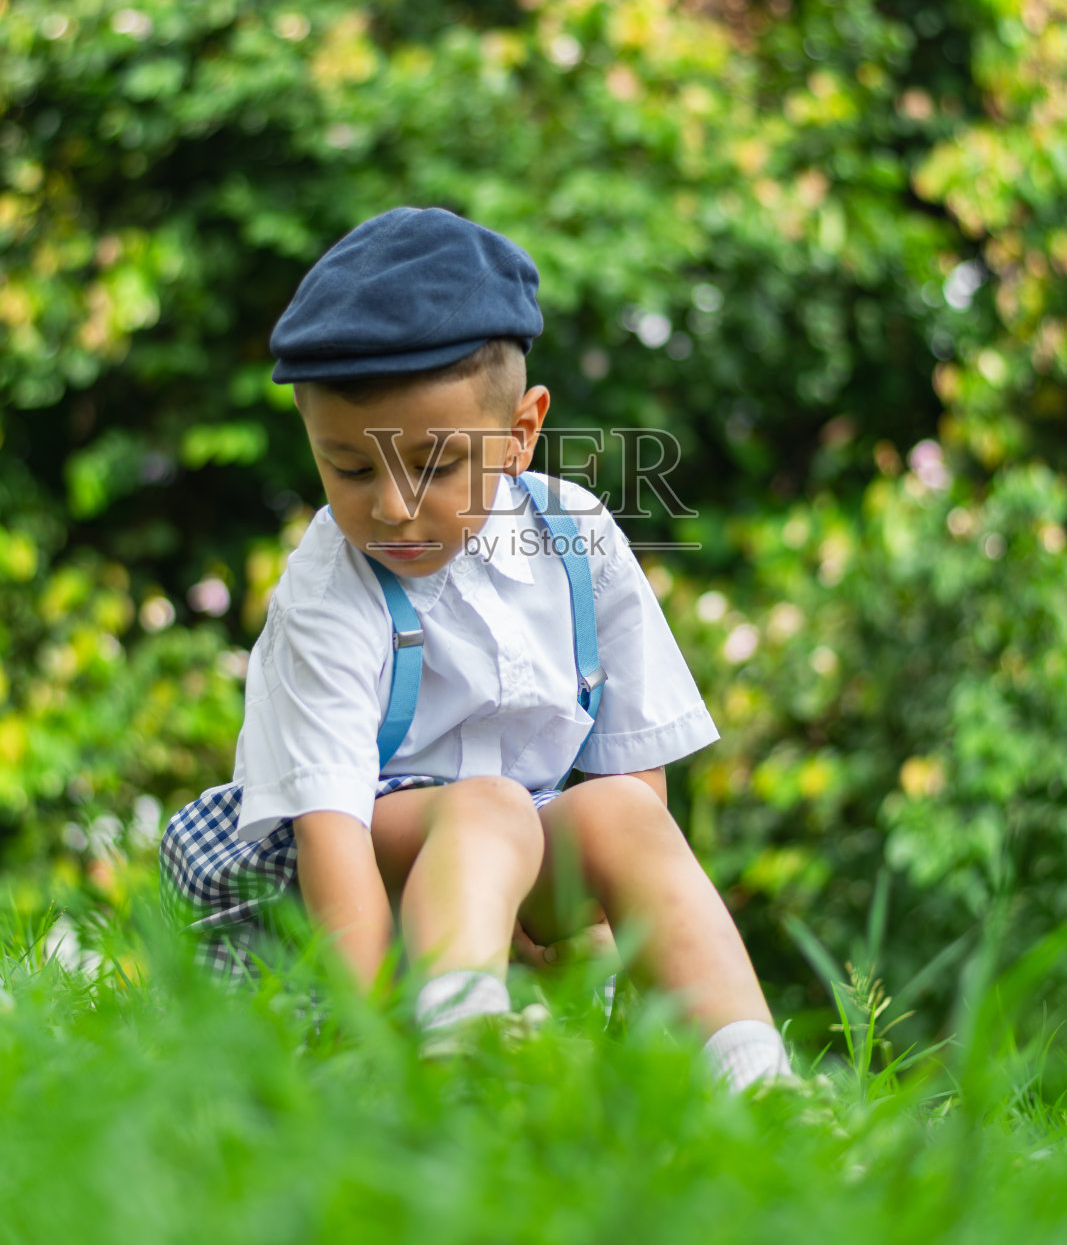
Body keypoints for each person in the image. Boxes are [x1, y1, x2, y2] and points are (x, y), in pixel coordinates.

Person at [161, 205, 791, 1092]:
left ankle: (754, 1077)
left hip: (516, 862)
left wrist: (592, 919)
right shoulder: (329, 586)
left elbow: (631, 771)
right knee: (487, 806)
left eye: (434, 465)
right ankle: (455, 1045)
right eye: (350, 468)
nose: (391, 507)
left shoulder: (576, 535)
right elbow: (330, 836)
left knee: (613, 810)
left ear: (521, 434)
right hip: (346, 882)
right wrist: (368, 1035)